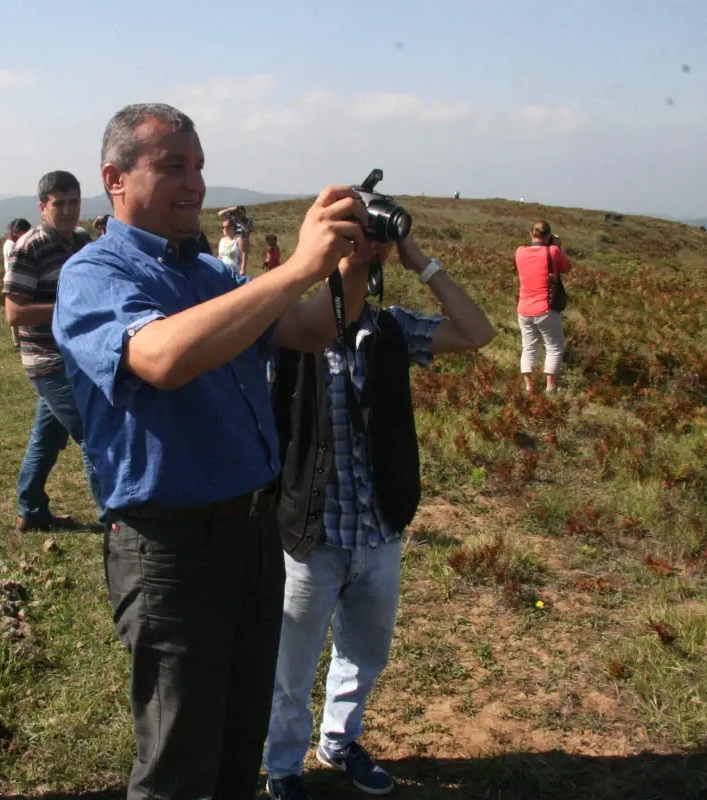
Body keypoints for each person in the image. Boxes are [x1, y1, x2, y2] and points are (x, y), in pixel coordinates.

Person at [53, 102, 371, 800]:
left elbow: (312, 328)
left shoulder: (205, 271)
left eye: (198, 165)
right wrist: (293, 271)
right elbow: (162, 357)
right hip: (171, 550)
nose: (194, 183)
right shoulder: (94, 274)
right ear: (115, 178)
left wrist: (356, 260)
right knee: (177, 765)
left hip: (254, 536)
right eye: (172, 166)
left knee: (236, 745)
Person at [263, 237, 496, 800]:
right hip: (311, 530)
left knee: (365, 653)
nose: (357, 267)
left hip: (379, 528)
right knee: (290, 663)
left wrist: (418, 258)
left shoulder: (391, 331)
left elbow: (477, 332)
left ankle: (339, 743)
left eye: (367, 258)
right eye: (346, 256)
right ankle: (284, 766)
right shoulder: (288, 334)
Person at [4, 170, 101, 531]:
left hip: (76, 355)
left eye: (74, 202)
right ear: (43, 207)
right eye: (58, 204)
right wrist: (69, 307)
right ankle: (117, 521)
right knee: (93, 433)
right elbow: (14, 313)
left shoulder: (80, 240)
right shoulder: (29, 247)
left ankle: (30, 509)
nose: (67, 211)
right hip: (48, 360)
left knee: (46, 436)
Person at [514, 219, 572, 394]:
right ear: (548, 236)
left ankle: (529, 386)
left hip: (523, 309)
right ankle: (550, 386)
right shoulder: (552, 251)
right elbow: (567, 267)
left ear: (531, 234)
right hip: (545, 309)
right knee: (554, 347)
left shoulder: (520, 252)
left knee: (528, 347)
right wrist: (557, 246)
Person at [3, 219, 32, 351]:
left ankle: (22, 340)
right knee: (16, 311)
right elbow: (12, 265)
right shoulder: (11, 245)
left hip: (19, 279)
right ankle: (18, 342)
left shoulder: (14, 242)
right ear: (16, 232)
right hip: (14, 281)